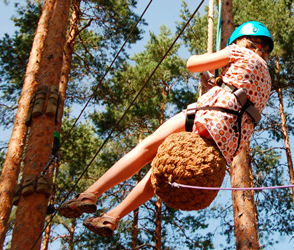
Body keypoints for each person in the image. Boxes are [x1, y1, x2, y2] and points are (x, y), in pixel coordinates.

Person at [57, 21, 273, 237]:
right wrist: (217, 83)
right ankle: (112, 217)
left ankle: (91, 194)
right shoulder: (267, 78)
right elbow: (240, 94)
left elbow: (192, 64)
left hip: (209, 116)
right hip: (227, 141)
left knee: (146, 148)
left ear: (240, 40)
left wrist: (215, 58)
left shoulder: (238, 52)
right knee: (158, 172)